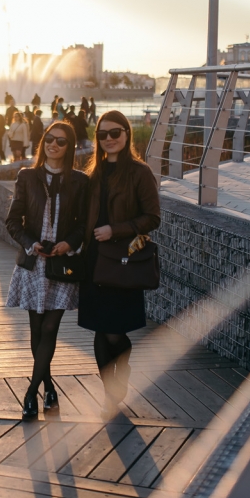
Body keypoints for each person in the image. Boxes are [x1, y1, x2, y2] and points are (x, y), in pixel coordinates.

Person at [79, 111, 160, 416]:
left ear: (127, 134)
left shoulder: (139, 173)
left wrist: (116, 229)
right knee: (100, 329)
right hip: (93, 261)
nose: (109, 139)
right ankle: (108, 395)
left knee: (115, 332)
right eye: (103, 134)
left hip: (122, 261)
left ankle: (122, 370)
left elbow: (153, 218)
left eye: (115, 133)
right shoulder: (94, 173)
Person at [5, 121, 88, 418]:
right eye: (49, 139)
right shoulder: (27, 177)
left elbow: (83, 225)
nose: (54, 144)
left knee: (50, 328)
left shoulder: (79, 181)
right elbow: (13, 221)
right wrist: (31, 243)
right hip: (33, 263)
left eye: (61, 141)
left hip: (62, 264)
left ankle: (30, 393)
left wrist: (69, 243)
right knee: (37, 330)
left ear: (70, 147)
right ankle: (49, 387)